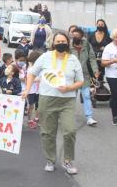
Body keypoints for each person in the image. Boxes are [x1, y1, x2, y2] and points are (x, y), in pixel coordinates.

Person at [23, 32, 84, 175]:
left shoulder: (73, 59)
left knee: (69, 131)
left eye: (63, 41)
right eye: (58, 41)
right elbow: (31, 73)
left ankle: (67, 160)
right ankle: (50, 159)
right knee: (48, 132)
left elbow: (80, 81)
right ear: (53, 43)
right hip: (47, 99)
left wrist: (69, 88)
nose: (60, 43)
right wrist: (27, 90)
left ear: (67, 43)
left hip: (67, 100)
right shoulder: (45, 57)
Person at [70, 28, 99, 126]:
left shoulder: (86, 45)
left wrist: (95, 70)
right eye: (73, 35)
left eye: (77, 35)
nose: (75, 37)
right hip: (71, 76)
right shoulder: (68, 46)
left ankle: (89, 117)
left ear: (82, 36)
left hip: (84, 75)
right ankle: (68, 116)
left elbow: (92, 58)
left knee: (86, 95)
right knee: (71, 96)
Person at [26, 50, 42, 129]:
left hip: (39, 90)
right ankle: (29, 120)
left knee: (38, 106)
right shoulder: (30, 69)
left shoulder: (41, 68)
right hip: (31, 90)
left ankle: (36, 119)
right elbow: (30, 79)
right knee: (31, 106)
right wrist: (38, 79)